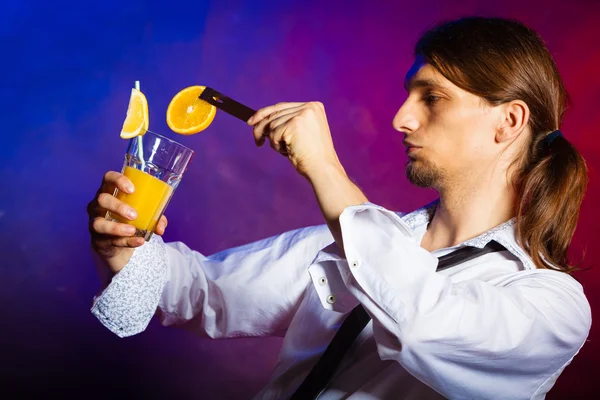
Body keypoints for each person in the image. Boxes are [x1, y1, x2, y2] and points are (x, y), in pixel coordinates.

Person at [87, 17, 591, 399]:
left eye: (432, 97)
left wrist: (326, 170)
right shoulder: (342, 244)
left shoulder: (553, 307)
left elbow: (422, 325)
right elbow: (203, 291)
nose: (400, 118)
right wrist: (124, 248)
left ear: (508, 121)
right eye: (407, 94)